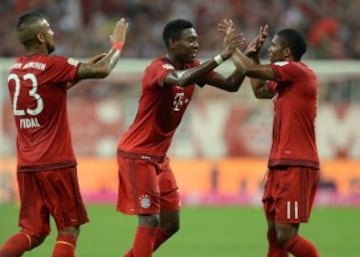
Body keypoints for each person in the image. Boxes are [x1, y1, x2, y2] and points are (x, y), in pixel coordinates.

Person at [116, 18, 249, 257]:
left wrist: (247, 57)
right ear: (173, 43)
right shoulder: (157, 69)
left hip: (158, 158)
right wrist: (221, 57)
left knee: (170, 223)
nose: (196, 45)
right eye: (190, 40)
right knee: (149, 221)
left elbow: (231, 85)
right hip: (138, 155)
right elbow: (180, 79)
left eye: (196, 40)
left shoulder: (193, 66)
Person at [0, 12, 128, 257]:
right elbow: (103, 70)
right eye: (48, 29)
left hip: (27, 164)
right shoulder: (53, 65)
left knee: (33, 232)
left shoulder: (16, 70)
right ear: (39, 36)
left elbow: (51, 89)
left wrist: (77, 73)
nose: (52, 33)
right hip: (56, 162)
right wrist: (118, 44)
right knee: (69, 229)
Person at [232, 26, 321, 257]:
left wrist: (231, 49)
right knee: (274, 234)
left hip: (297, 163)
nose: (270, 50)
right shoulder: (286, 78)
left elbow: (247, 69)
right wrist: (253, 55)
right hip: (280, 163)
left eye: (274, 46)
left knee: (286, 235)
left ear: (287, 52)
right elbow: (260, 91)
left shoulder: (296, 70)